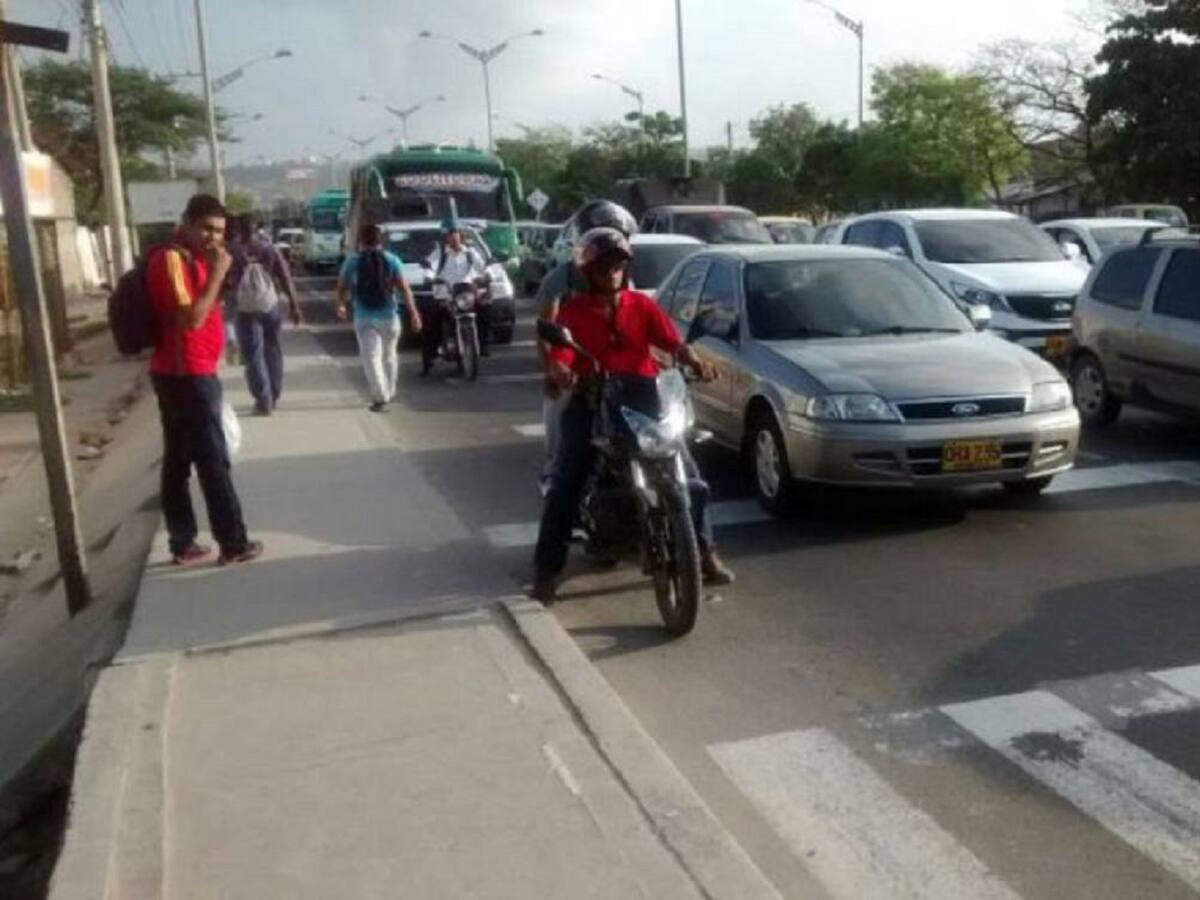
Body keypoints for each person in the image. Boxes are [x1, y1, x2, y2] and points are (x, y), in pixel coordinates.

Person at [530, 227, 734, 605]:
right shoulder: (574, 311)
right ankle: (546, 572)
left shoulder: (642, 306)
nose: (612, 272)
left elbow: (671, 342)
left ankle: (704, 552)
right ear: (588, 271)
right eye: (605, 266)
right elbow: (563, 353)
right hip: (592, 402)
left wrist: (695, 360)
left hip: (644, 399)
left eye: (618, 265)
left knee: (688, 474)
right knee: (566, 483)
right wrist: (560, 368)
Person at [147, 193, 262, 566]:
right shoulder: (171, 260)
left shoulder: (193, 258)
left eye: (220, 231)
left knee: (178, 462)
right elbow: (190, 319)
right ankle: (233, 542)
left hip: (189, 372)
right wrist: (217, 273)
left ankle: (183, 542)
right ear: (187, 223)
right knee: (213, 460)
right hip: (186, 376)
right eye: (207, 229)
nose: (214, 238)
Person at [534, 200, 639, 489]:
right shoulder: (561, 278)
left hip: (617, 367)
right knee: (560, 408)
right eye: (599, 241)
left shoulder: (624, 279)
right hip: (577, 364)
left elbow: (643, 324)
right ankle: (554, 471)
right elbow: (547, 329)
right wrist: (554, 370)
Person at [335, 222, 422, 412]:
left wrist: (341, 305)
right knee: (390, 355)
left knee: (371, 357)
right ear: (380, 240)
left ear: (361, 241)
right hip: (389, 315)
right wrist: (414, 313)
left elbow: (341, 286)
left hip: (363, 316)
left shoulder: (352, 261)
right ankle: (389, 392)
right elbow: (404, 289)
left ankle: (380, 396)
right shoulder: (392, 260)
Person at [224, 215, 302, 415]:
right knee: (273, 350)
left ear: (239, 229)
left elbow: (225, 282)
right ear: (257, 227)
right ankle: (274, 394)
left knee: (253, 355)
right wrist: (294, 305)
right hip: (270, 306)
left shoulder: (232, 250)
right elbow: (285, 277)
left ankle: (263, 398)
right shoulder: (269, 249)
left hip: (245, 310)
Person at [421, 218, 491, 373]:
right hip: (446, 292)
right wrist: (429, 276)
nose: (453, 237)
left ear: (461, 234)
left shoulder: (470, 253)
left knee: (485, 309)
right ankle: (429, 357)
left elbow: (483, 267)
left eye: (455, 233)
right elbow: (429, 265)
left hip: (465, 292)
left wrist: (487, 276)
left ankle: (483, 345)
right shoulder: (441, 252)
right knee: (433, 321)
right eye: (449, 234)